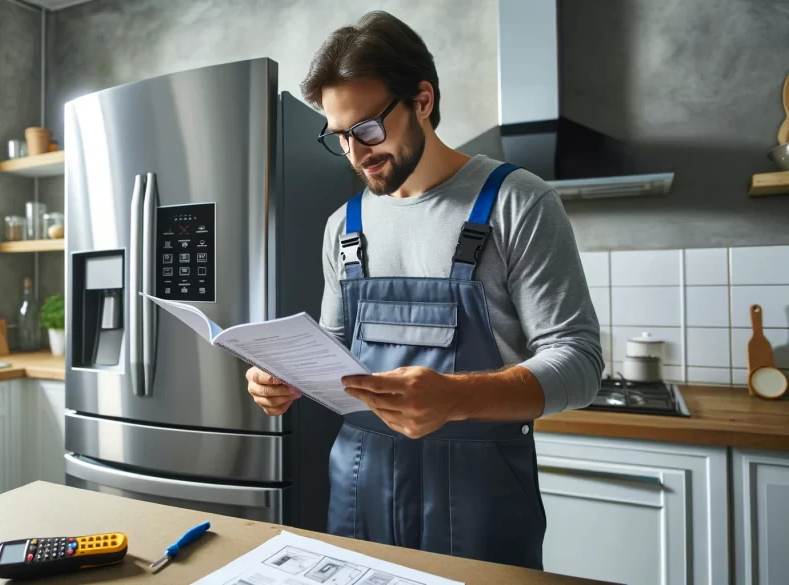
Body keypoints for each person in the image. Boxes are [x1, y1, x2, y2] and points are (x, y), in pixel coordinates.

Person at [244, 11, 603, 570]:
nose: (357, 153)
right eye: (340, 136)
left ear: (423, 100)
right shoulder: (346, 225)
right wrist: (289, 377)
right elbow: (336, 353)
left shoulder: (518, 203)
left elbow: (579, 361)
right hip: (359, 494)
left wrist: (456, 397)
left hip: (483, 507)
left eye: (367, 128)